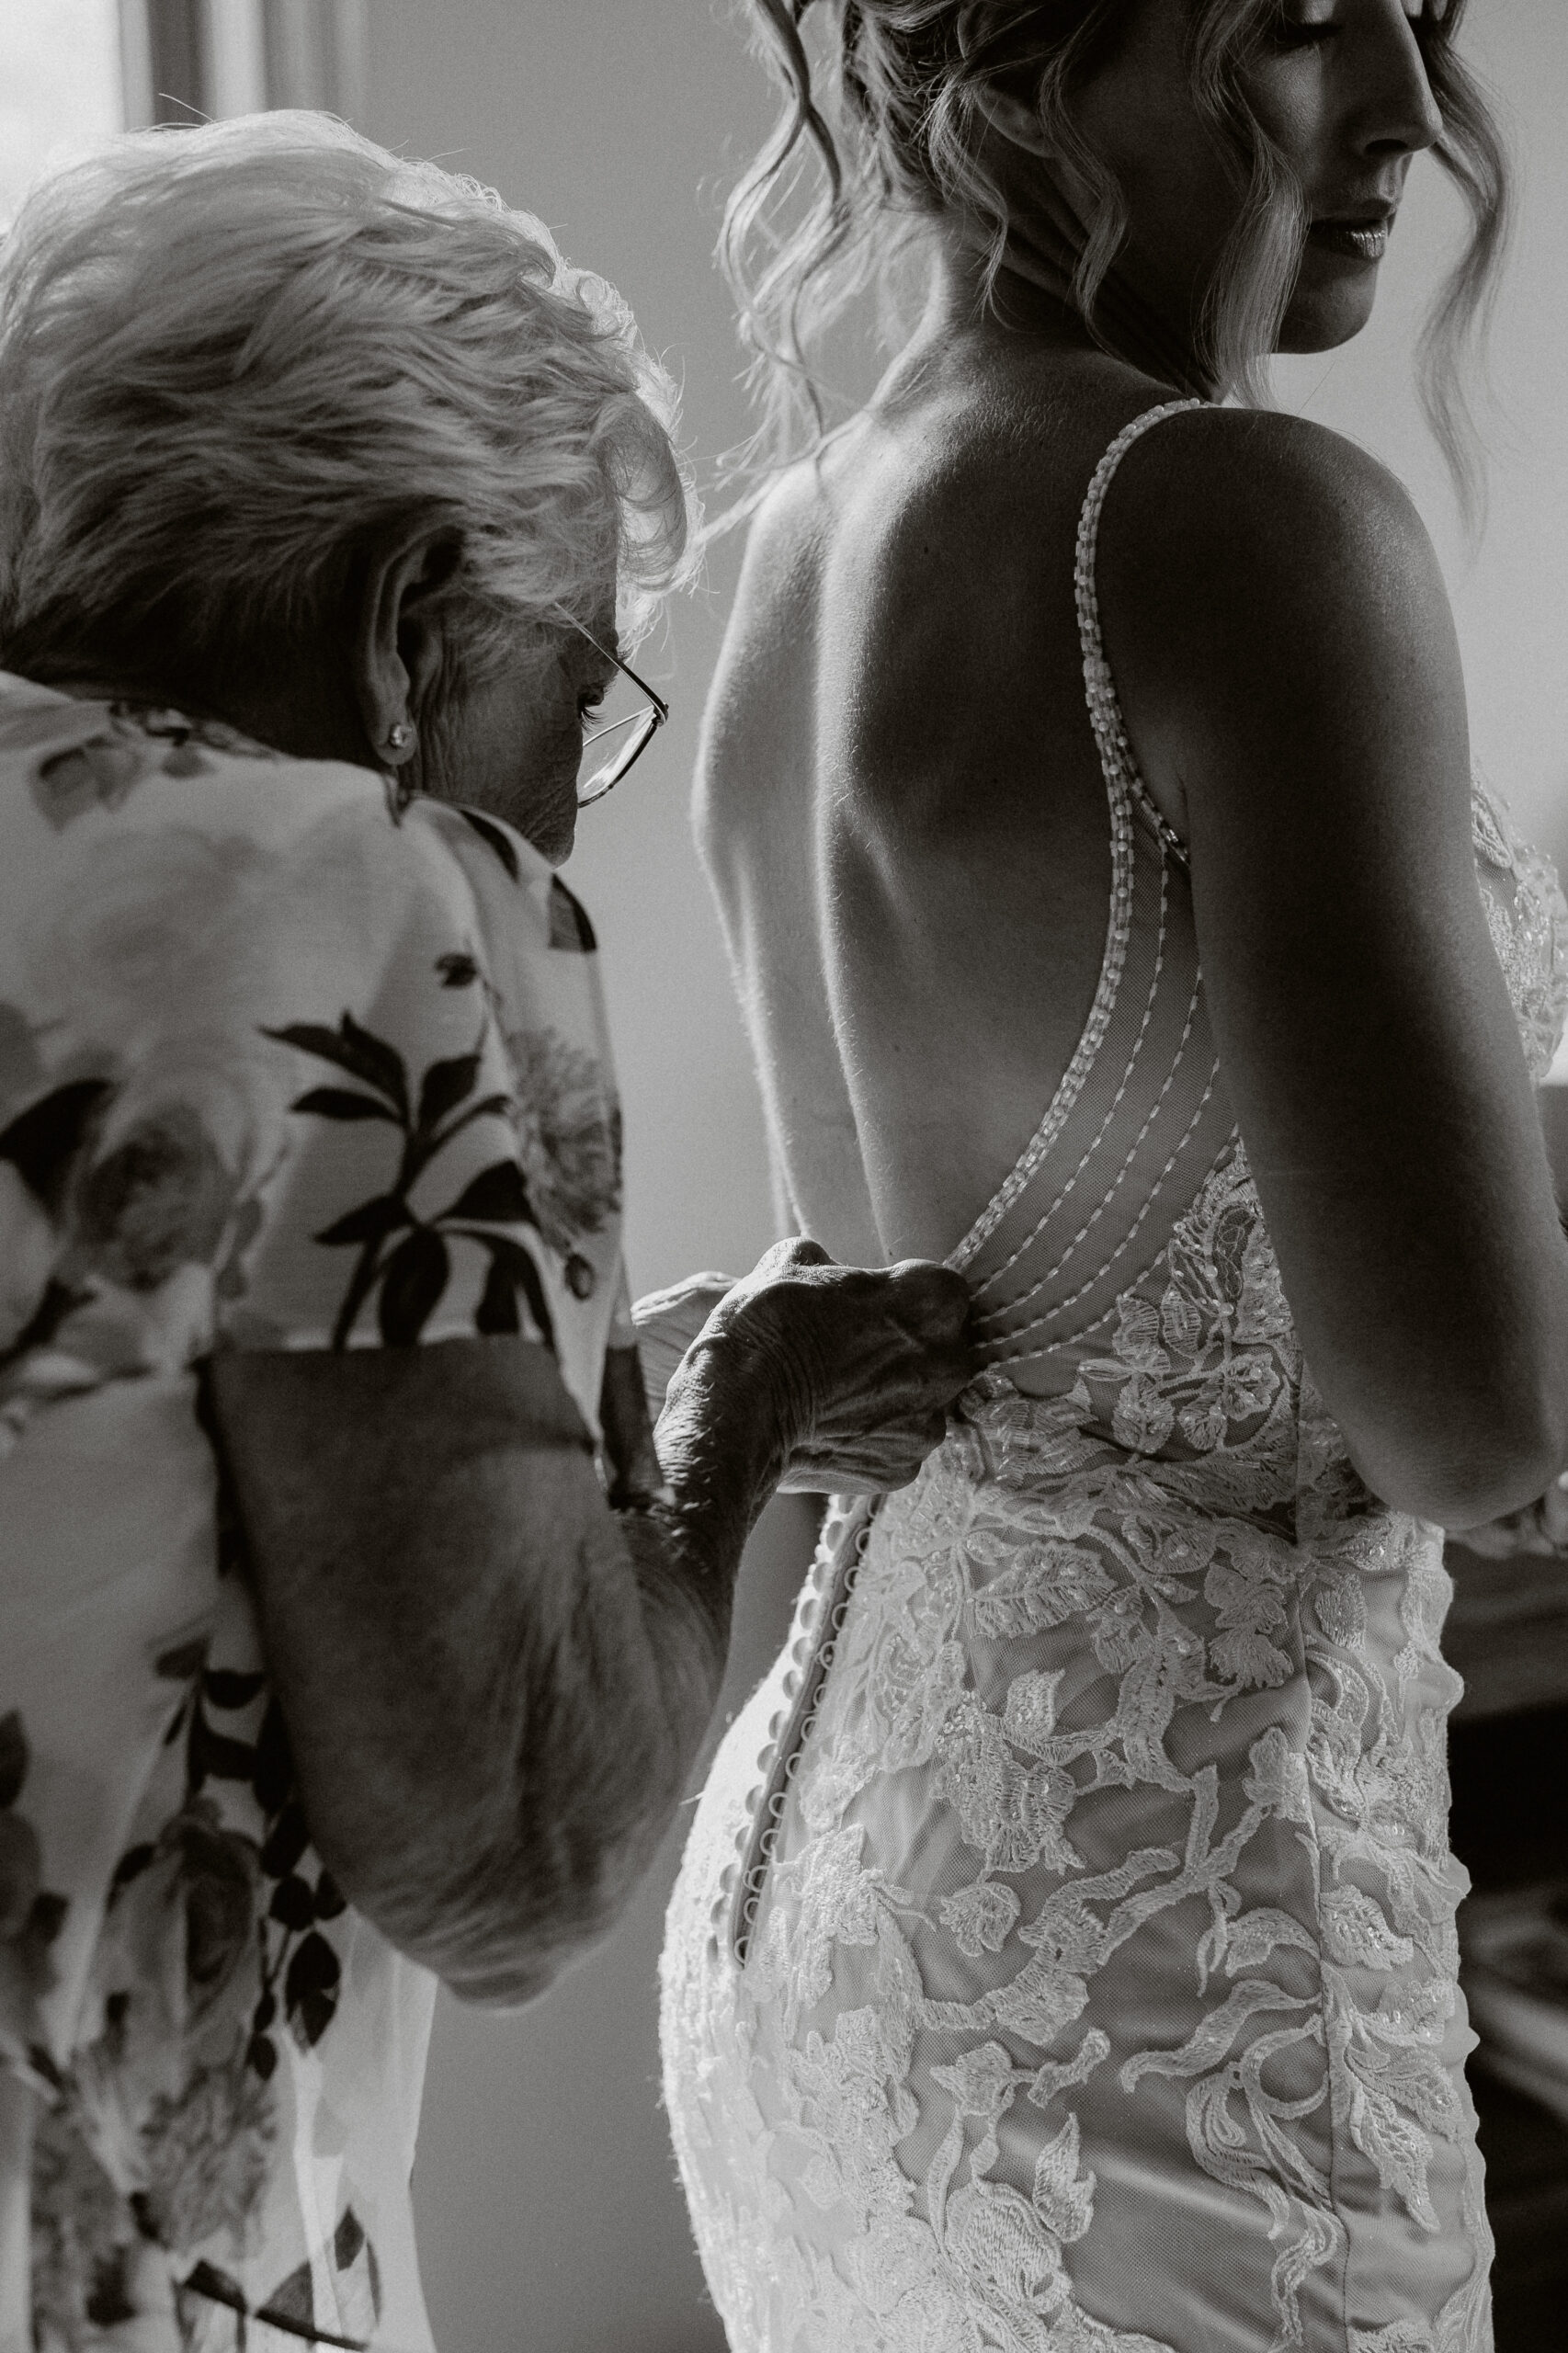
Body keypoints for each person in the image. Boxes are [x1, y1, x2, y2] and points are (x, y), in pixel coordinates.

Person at [0, 113, 973, 2350]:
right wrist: (720, 1423)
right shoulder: (364, 888)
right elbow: (520, 1844)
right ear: (402, 620)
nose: (557, 800)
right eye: (573, 680)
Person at [660, 5, 1568, 2349]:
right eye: (1286, 23)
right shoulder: (1242, 521)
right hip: (1176, 1973)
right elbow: (1466, 1425)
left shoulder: (782, 557)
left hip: (829, 1902)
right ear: (1023, 67)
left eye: (1420, 19)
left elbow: (937, 1316)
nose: (1404, 114)